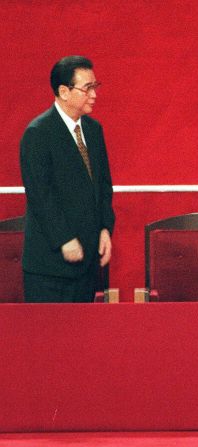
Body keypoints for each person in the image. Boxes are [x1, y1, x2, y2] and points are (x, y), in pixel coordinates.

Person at [20, 55, 115, 303]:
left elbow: (103, 186)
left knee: (83, 339)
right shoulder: (38, 133)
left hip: (87, 264)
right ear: (64, 91)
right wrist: (64, 239)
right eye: (87, 88)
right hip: (50, 268)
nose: (94, 95)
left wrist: (105, 228)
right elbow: (40, 195)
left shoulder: (94, 131)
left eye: (95, 87)